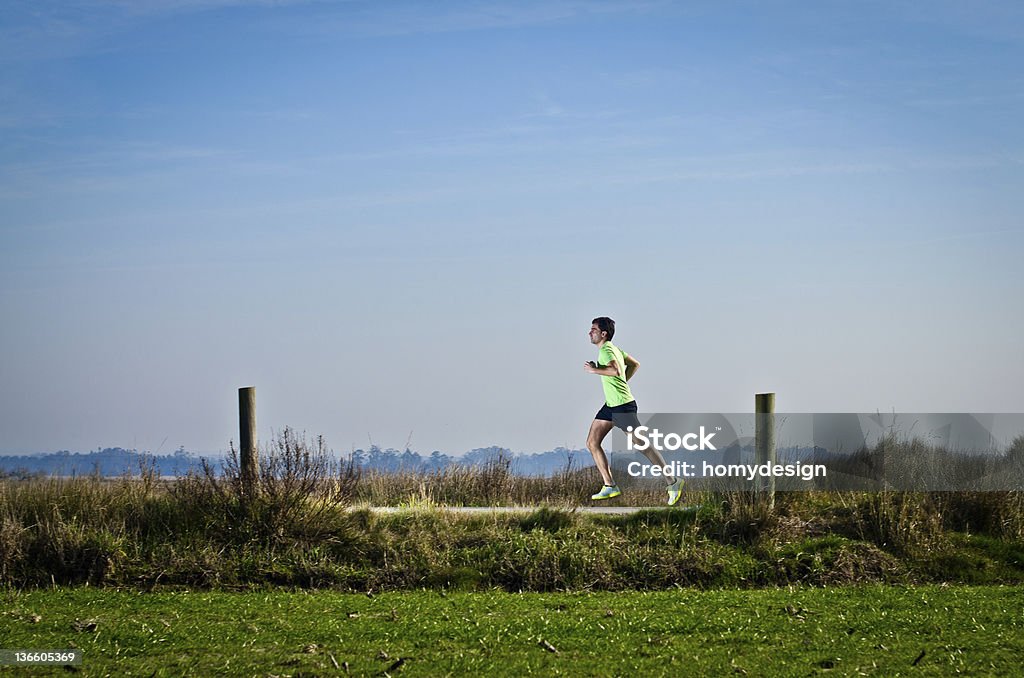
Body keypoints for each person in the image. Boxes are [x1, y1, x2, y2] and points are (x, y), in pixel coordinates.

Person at [583, 317, 683, 505]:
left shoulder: (606, 350)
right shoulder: (614, 349)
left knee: (643, 446)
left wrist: (594, 370)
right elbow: (635, 364)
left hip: (622, 406)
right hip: (612, 405)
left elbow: (615, 371)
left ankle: (673, 482)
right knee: (592, 442)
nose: (590, 332)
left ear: (603, 334)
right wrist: (621, 383)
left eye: (593, 329)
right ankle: (609, 485)